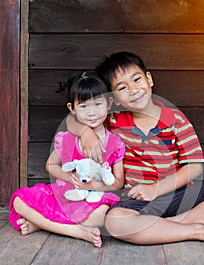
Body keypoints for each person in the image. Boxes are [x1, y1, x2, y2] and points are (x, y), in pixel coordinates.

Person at [67, 51, 204, 250]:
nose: (133, 89)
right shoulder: (113, 119)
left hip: (178, 194)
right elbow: (73, 119)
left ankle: (168, 227)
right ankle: (199, 230)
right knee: (115, 221)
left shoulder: (176, 119)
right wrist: (86, 132)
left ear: (149, 79)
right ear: (115, 99)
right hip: (136, 200)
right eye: (122, 87)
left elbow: (194, 167)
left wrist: (156, 189)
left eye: (137, 79)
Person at [8, 71, 125, 247]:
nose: (91, 112)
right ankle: (76, 231)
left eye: (98, 104)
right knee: (18, 201)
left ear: (108, 104)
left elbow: (118, 183)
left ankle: (40, 224)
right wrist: (69, 178)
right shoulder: (67, 138)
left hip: (95, 198)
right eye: (83, 106)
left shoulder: (115, 143)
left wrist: (92, 186)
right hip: (65, 194)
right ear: (72, 108)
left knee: (99, 217)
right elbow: (51, 165)